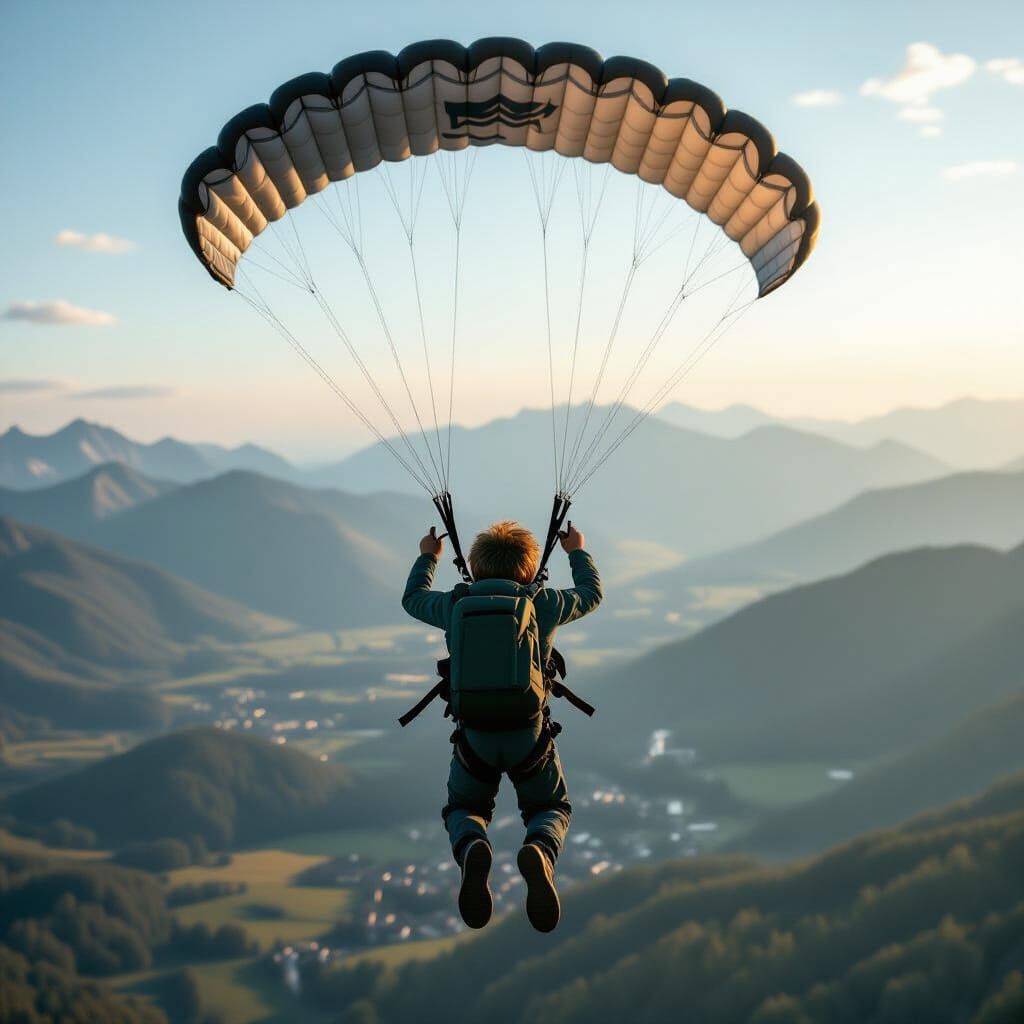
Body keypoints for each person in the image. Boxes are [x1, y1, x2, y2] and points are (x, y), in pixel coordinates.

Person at [401, 520, 602, 933]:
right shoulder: (543, 603)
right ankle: (540, 850)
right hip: (529, 735)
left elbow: (414, 599)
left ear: (474, 567)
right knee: (550, 808)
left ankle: (473, 845)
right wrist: (577, 551)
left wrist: (428, 557)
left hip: (474, 736)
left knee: (465, 808)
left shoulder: (456, 604)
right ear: (529, 569)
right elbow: (590, 594)